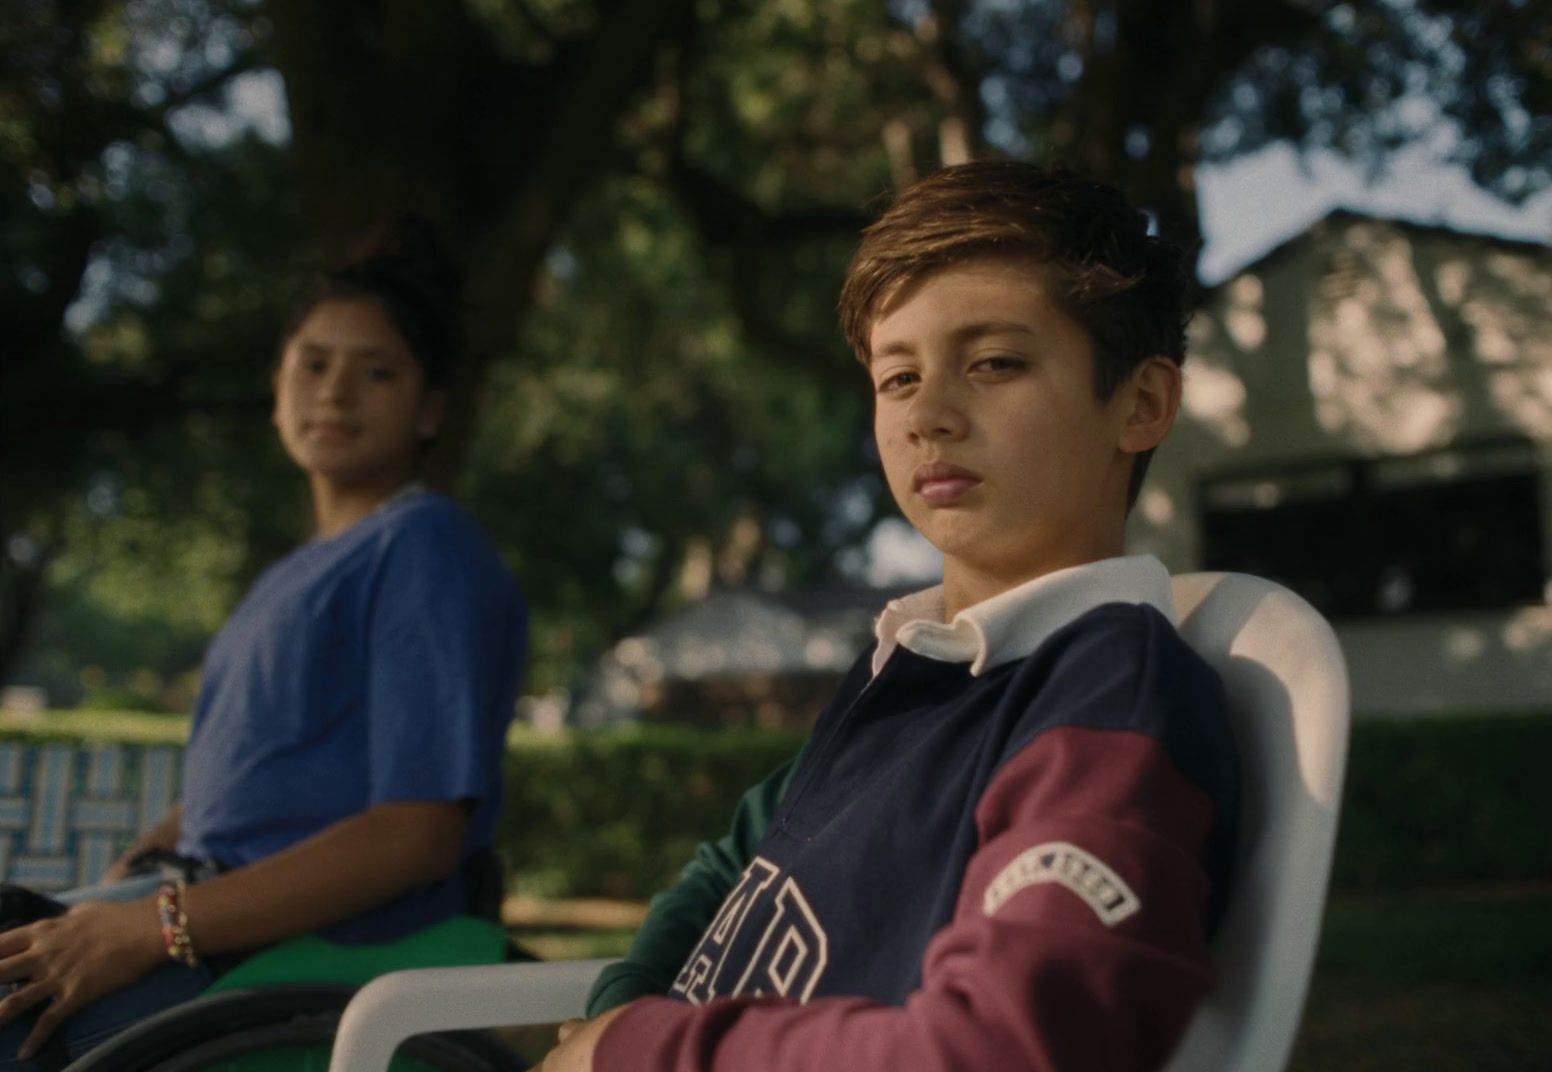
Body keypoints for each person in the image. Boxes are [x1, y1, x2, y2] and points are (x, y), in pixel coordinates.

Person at [541, 161, 1240, 1072]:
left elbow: (1007, 1048)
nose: (930, 416)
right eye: (898, 377)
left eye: (994, 364)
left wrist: (632, 1051)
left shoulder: (1109, 696)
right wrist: (626, 1006)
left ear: (1142, 404)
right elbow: (735, 867)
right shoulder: (918, 666)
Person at [0, 218, 527, 1068]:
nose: (336, 393)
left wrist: (157, 924)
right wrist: (134, 871)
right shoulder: (293, 573)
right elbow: (246, 781)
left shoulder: (424, 545)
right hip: (196, 902)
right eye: (313, 364)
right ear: (277, 383)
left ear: (432, 410)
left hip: (309, 941)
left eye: (377, 371)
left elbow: (415, 833)